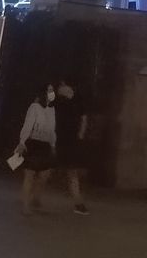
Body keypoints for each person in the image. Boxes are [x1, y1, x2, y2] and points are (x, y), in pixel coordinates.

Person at [17, 84, 57, 215]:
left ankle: (35, 198)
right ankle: (25, 205)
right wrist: (22, 141)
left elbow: (52, 129)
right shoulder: (35, 107)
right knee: (30, 175)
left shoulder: (52, 109)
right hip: (34, 142)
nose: (51, 93)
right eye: (49, 90)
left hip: (45, 144)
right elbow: (28, 124)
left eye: (52, 90)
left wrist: (53, 145)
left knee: (44, 175)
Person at [55, 80, 89, 215]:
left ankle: (78, 202)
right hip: (64, 141)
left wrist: (80, 134)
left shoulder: (65, 105)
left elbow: (84, 119)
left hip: (65, 141)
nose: (71, 93)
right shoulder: (67, 105)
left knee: (70, 171)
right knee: (70, 172)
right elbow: (84, 119)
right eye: (68, 91)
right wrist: (80, 134)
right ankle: (78, 203)